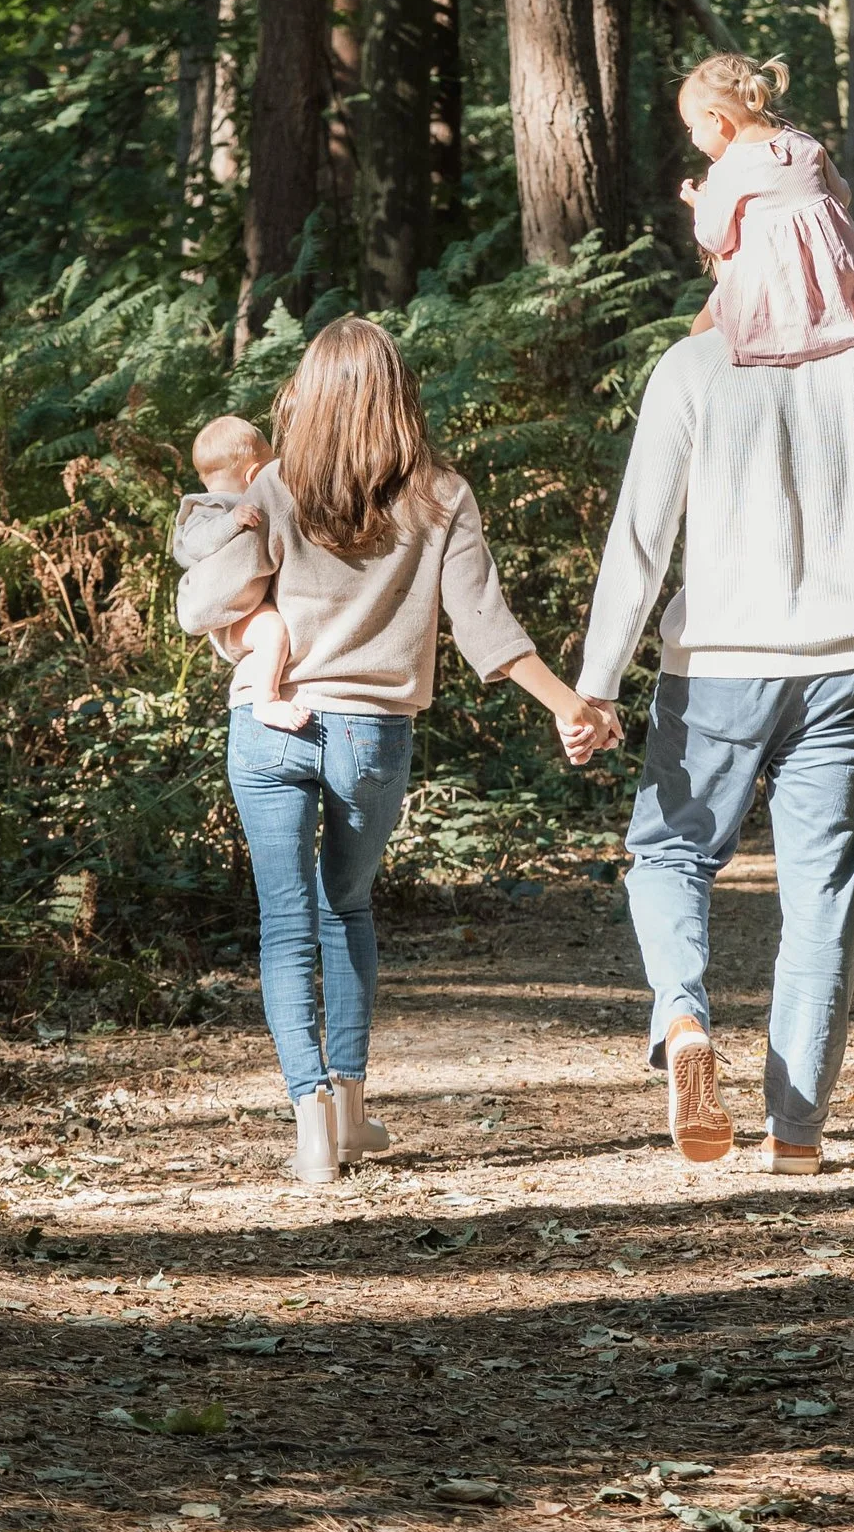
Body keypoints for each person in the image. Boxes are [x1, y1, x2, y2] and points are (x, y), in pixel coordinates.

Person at [174, 318, 606, 1190]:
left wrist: (235, 558)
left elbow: (207, 606)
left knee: (286, 920)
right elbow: (488, 631)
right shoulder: (441, 494)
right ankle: (353, 1107)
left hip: (269, 725)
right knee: (348, 907)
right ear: (399, 395)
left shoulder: (275, 487)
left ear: (309, 394)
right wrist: (574, 707)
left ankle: (310, 1127)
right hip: (370, 732)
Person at [575, 293, 854, 1176]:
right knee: (820, 891)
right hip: (850, 661)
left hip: (715, 664)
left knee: (672, 856)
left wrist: (598, 682)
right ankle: (794, 1132)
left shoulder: (693, 365)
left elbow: (640, 537)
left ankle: (683, 1024)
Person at [679, 49, 854, 366]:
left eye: (691, 127)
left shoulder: (727, 171)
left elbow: (716, 240)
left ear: (717, 120)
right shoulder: (806, 145)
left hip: (769, 305)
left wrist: (698, 204)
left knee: (698, 333)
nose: (692, 139)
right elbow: (842, 197)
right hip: (834, 299)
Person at [173, 415, 310, 727]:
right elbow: (194, 543)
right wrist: (231, 521)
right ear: (255, 475)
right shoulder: (207, 507)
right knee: (273, 631)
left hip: (243, 607)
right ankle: (267, 702)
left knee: (273, 629)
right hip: (227, 620)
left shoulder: (242, 506)